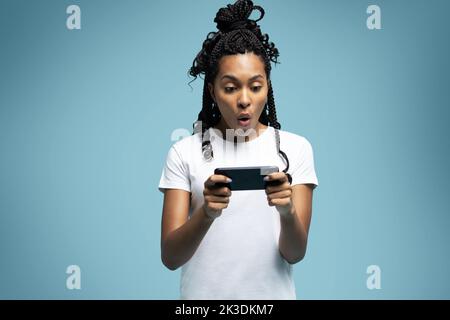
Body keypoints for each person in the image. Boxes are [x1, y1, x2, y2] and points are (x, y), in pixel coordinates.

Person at [158, 0, 318, 300]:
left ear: (267, 87)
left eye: (255, 87)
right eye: (230, 87)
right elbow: (170, 257)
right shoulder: (184, 153)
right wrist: (206, 213)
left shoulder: (295, 149)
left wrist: (287, 211)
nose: (244, 100)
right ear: (212, 90)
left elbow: (295, 254)